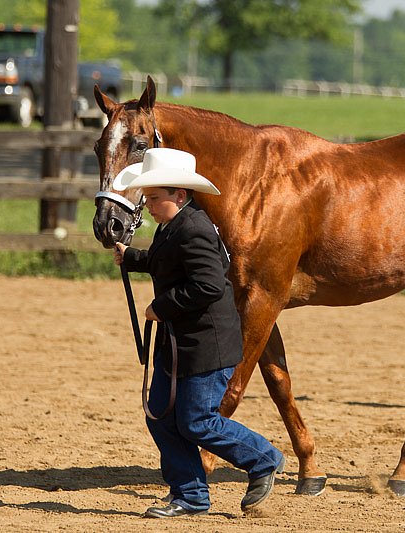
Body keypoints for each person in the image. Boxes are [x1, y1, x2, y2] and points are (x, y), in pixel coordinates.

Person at [112, 148, 285, 518]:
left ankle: (264, 459)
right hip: (180, 344)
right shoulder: (175, 226)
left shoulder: (193, 229)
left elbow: (207, 284)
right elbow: (169, 262)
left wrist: (162, 307)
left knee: (196, 421)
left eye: (155, 198)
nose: (150, 206)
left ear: (179, 194)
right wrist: (133, 258)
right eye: (148, 198)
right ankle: (190, 495)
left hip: (205, 345)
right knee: (160, 415)